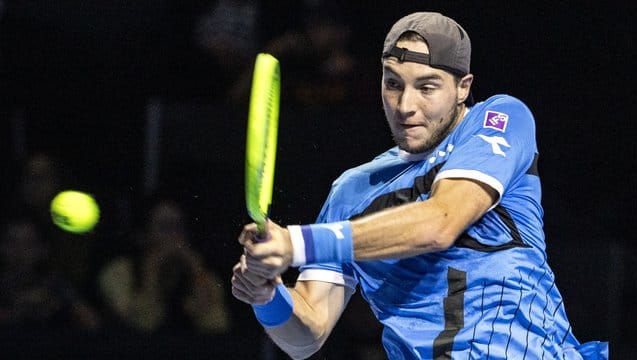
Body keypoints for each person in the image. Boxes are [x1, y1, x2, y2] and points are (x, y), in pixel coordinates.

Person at [231, 12, 608, 360]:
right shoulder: (351, 191)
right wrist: (268, 296)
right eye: (393, 84)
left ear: (463, 87)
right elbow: (306, 338)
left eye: (426, 87)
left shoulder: (499, 119)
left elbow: (440, 222)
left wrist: (295, 244)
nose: (405, 105)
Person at [98, 198, 229, 333]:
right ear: (143, 235)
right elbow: (142, 326)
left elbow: (216, 327)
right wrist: (151, 272)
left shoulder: (205, 276)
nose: (174, 236)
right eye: (165, 227)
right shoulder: (119, 272)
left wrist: (196, 271)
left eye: (178, 227)